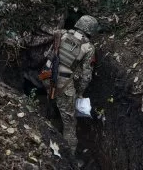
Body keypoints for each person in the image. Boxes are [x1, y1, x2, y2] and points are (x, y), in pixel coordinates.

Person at [39, 15, 98, 155]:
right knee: (70, 123)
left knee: (52, 98)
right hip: (62, 84)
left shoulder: (63, 34)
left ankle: (50, 118)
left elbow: (48, 54)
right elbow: (86, 76)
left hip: (46, 75)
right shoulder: (88, 48)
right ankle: (68, 157)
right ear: (91, 30)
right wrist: (79, 93)